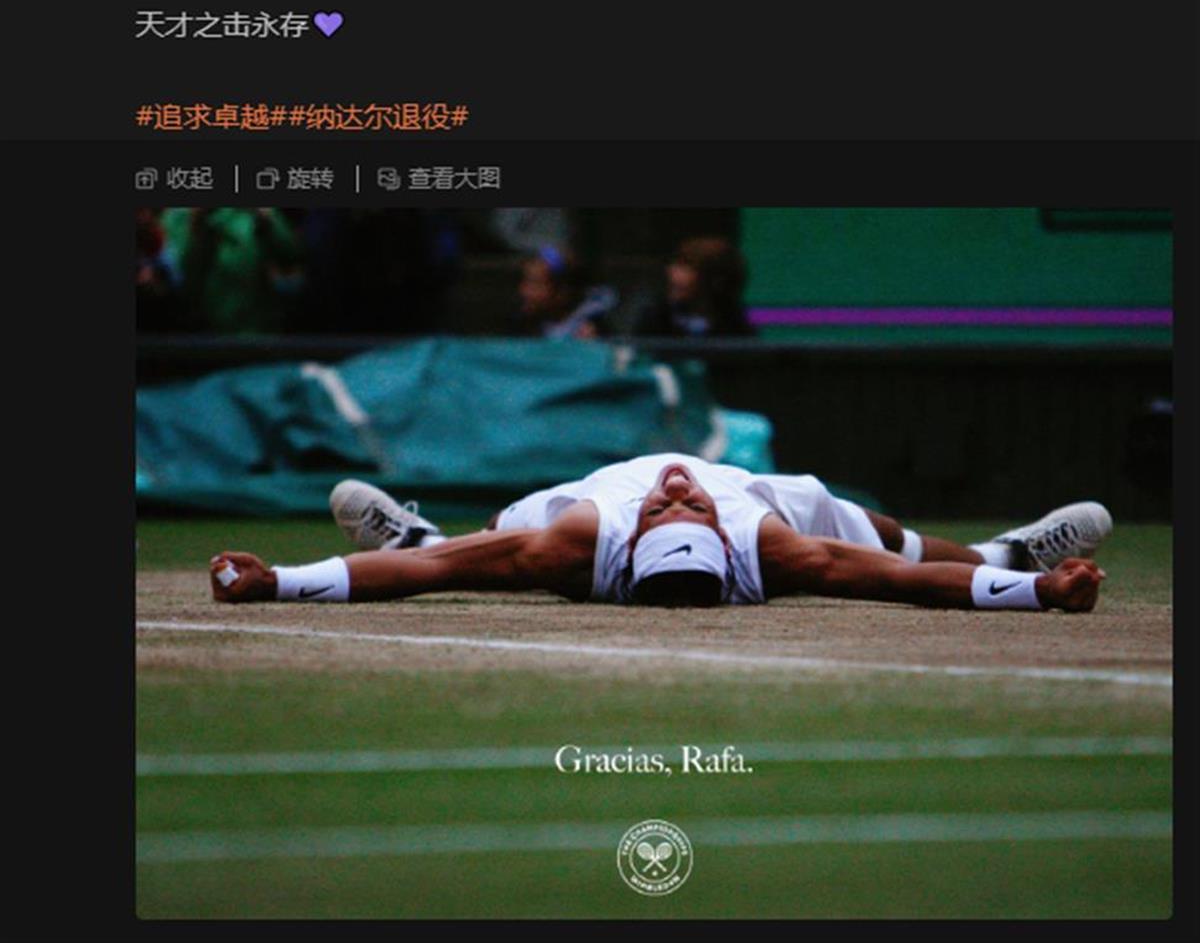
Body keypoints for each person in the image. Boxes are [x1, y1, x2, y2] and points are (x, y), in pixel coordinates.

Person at [210, 455, 1110, 613]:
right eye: (682, 508)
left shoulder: (580, 539)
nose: (677, 489)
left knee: (475, 544)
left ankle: (411, 534)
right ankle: (1007, 557)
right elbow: (896, 580)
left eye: (672, 509)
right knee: (875, 539)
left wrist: (276, 579)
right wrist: (1038, 592)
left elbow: (444, 573)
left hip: (585, 501)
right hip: (758, 497)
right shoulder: (769, 546)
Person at [631, 237, 756, 338]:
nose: (672, 272)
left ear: (716, 280)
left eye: (686, 267)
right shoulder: (655, 318)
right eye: (676, 265)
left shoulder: (738, 327)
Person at [515, 245, 616, 340]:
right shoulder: (525, 323)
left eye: (535, 284)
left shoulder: (590, 335)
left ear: (562, 292)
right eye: (524, 282)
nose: (523, 291)